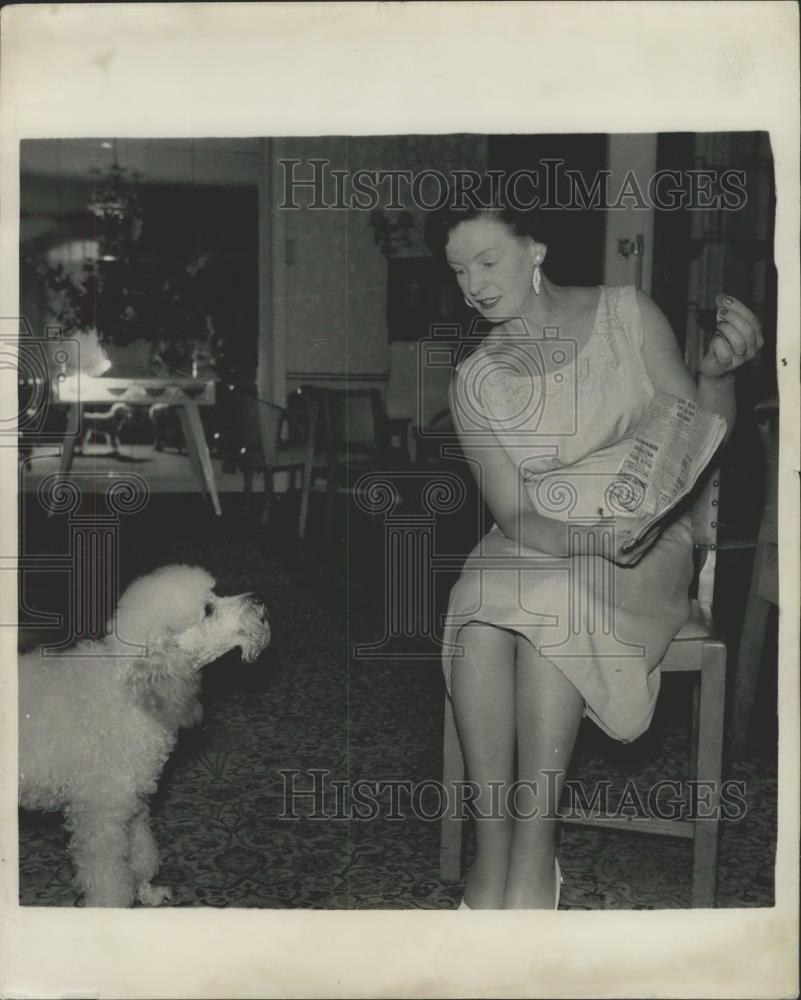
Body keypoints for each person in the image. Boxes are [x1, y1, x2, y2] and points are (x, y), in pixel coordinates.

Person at [426, 184, 763, 910]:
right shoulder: (475, 380)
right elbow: (515, 514)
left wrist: (717, 376)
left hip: (643, 539)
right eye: (458, 272)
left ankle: (535, 851)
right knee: (480, 613)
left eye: (487, 261)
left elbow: (699, 439)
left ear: (534, 249)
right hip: (542, 536)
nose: (474, 287)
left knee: (547, 606)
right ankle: (496, 859)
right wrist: (583, 541)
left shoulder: (627, 313)